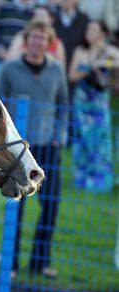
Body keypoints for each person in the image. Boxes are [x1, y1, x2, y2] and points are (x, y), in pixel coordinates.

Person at [0, 20, 68, 278]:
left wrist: (59, 136)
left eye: (43, 38)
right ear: (27, 40)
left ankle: (41, 261)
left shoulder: (56, 70)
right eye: (34, 37)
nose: (38, 42)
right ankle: (11, 263)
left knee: (51, 205)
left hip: (48, 145)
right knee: (16, 205)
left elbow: (63, 105)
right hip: (19, 149)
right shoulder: (9, 68)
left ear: (49, 43)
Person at [68, 21, 119, 192]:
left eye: (94, 30)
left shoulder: (110, 51)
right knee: (82, 140)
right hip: (82, 103)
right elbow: (72, 75)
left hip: (99, 104)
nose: (89, 32)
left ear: (103, 34)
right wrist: (91, 67)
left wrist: (105, 64)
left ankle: (101, 182)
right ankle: (82, 180)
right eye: (88, 29)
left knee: (100, 141)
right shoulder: (80, 51)